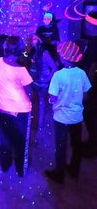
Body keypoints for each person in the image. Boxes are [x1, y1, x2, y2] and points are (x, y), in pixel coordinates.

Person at [44, 41, 91, 184]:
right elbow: (86, 94)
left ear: (63, 57)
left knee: (61, 145)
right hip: (76, 117)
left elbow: (52, 98)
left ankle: (59, 175)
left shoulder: (58, 75)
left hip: (61, 118)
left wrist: (54, 102)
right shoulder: (82, 73)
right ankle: (74, 170)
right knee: (76, 145)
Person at [0, 36, 33, 177]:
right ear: (20, 49)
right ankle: (20, 170)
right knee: (21, 141)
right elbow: (29, 92)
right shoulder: (21, 70)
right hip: (21, 110)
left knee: (5, 139)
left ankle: (4, 165)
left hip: (3, 107)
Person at [28, 34, 57, 129]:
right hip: (34, 81)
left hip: (43, 82)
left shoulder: (45, 53)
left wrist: (47, 78)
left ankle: (40, 124)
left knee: (41, 101)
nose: (33, 40)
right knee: (36, 101)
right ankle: (36, 121)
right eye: (32, 39)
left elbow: (54, 68)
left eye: (35, 39)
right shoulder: (32, 52)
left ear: (40, 41)